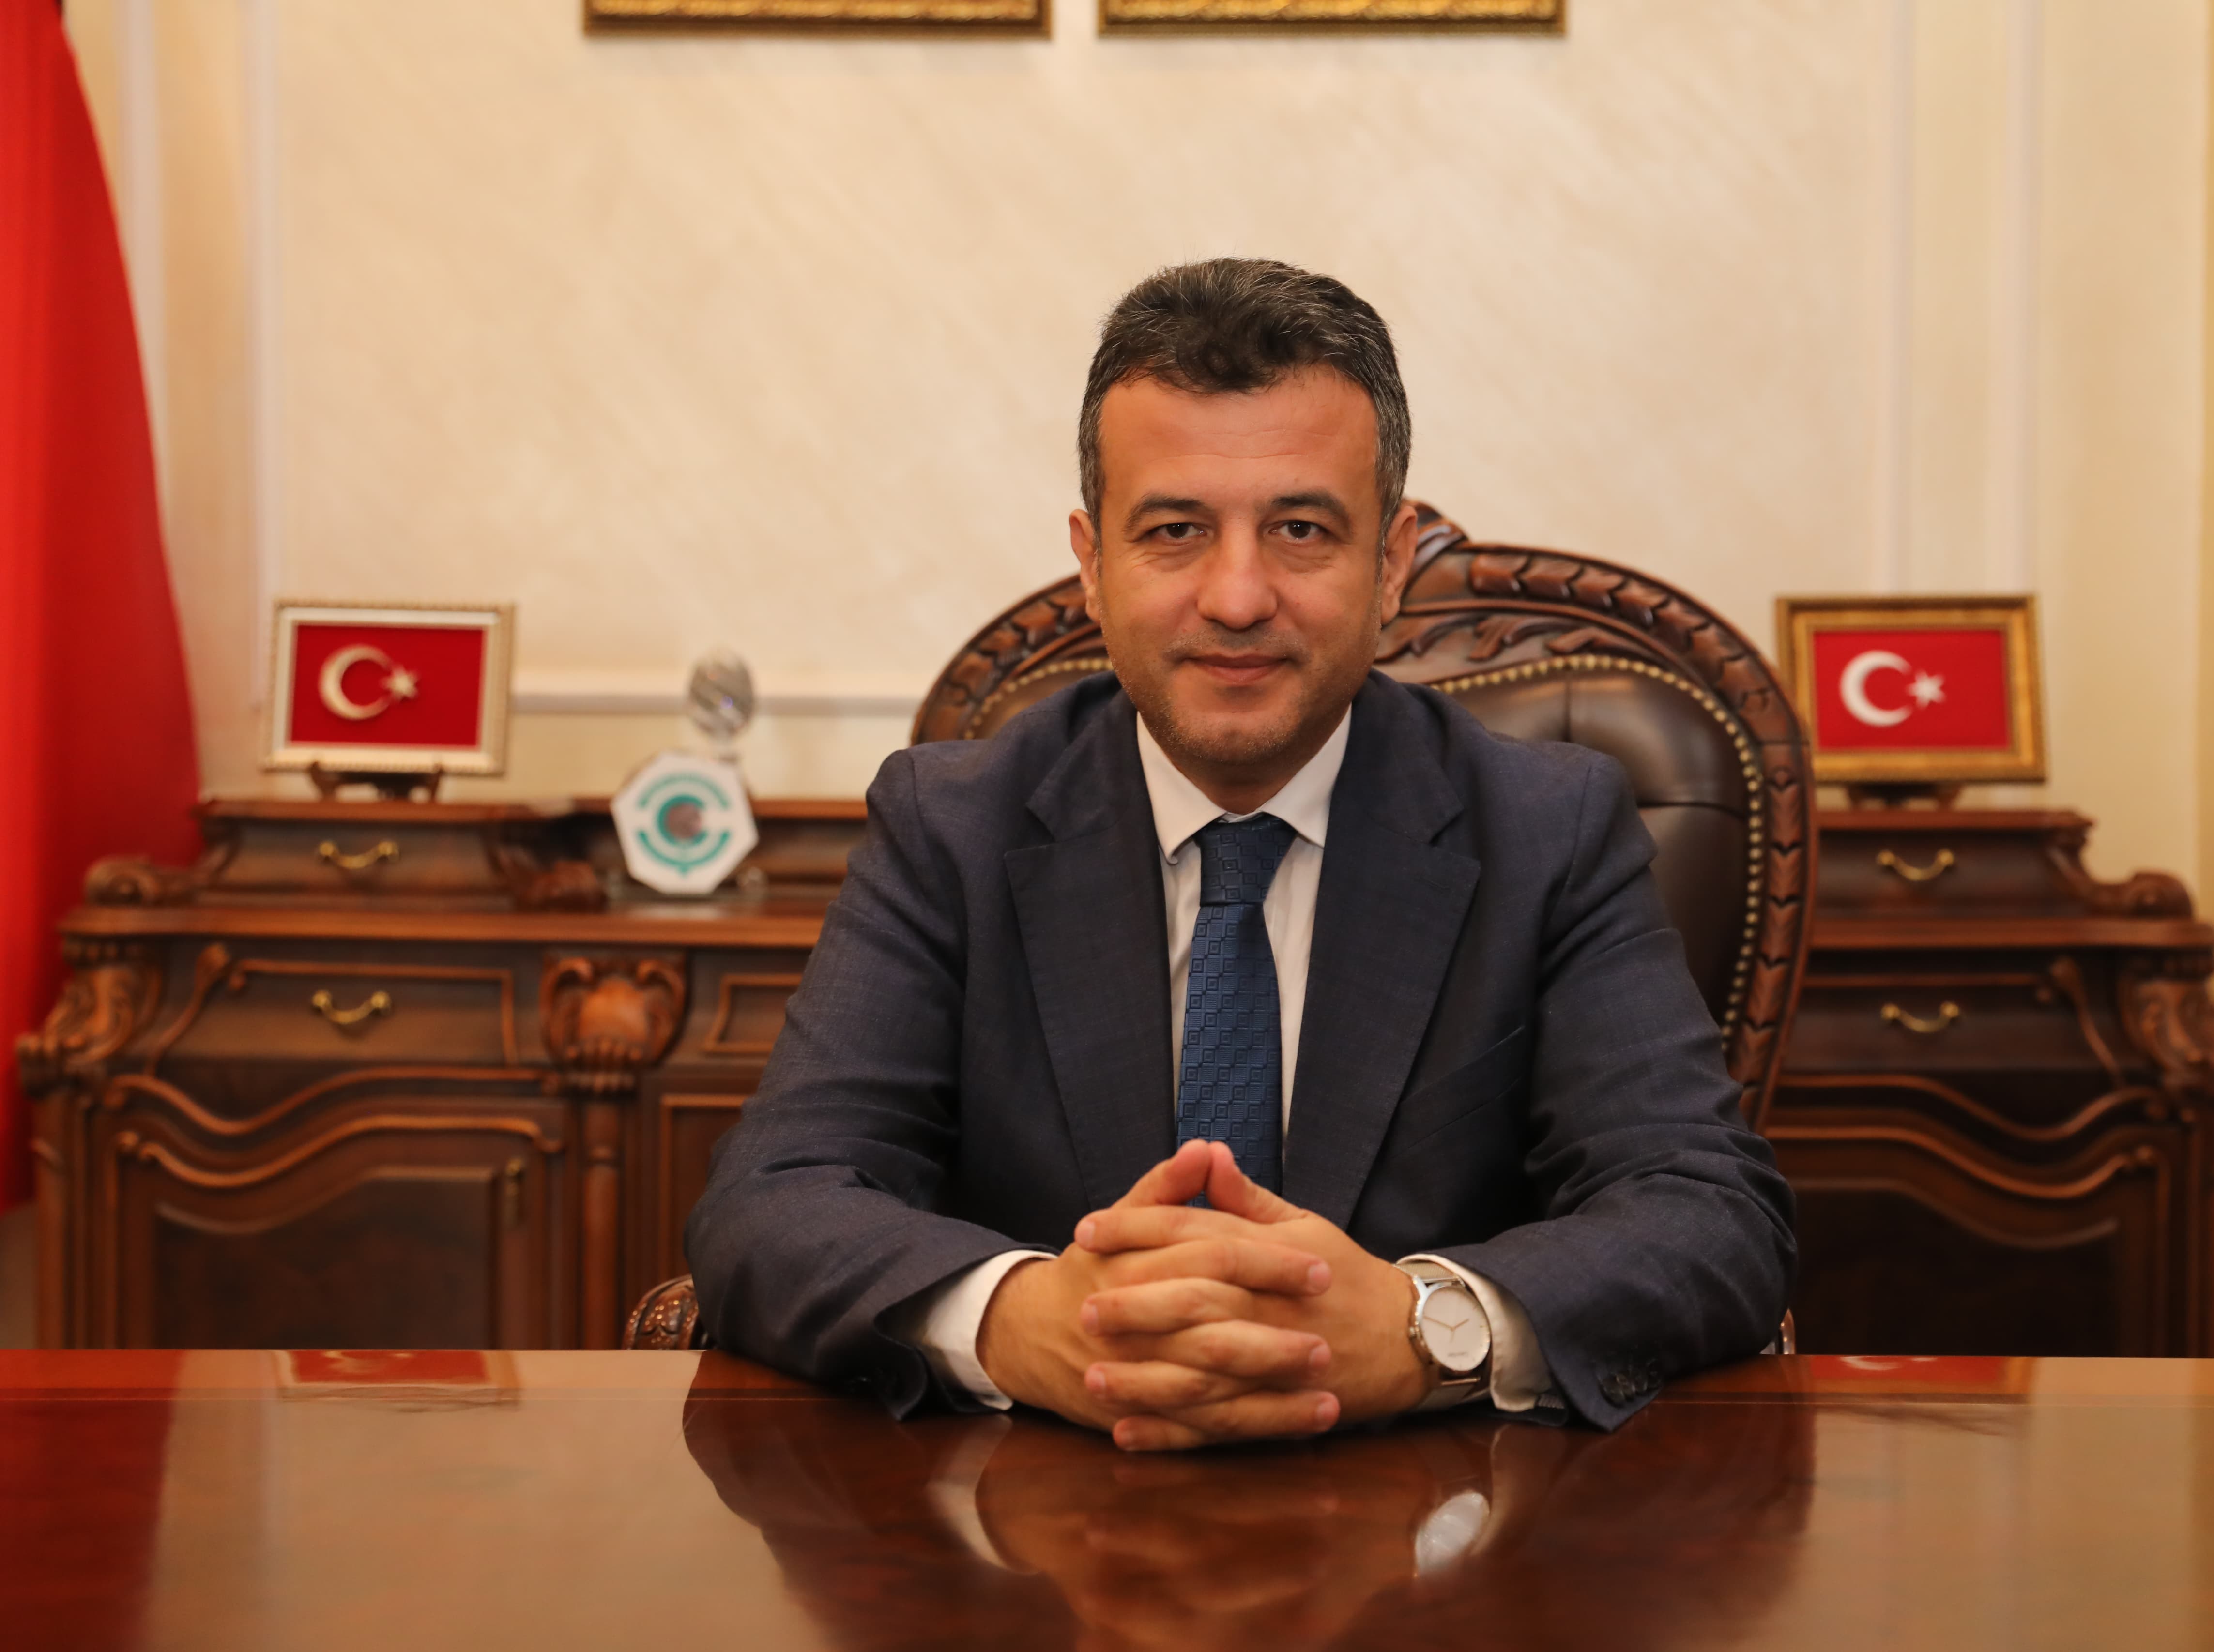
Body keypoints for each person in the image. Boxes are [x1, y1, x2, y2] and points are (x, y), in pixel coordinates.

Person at [687, 258, 1794, 1451]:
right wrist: (1021, 1322)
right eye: (1174, 532)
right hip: (1034, 1516)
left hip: (1440, 1519)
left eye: (1300, 530)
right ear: (1093, 565)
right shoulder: (951, 826)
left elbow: (1708, 1212)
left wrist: (1425, 1330)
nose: (1236, 596)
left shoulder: (1548, 829)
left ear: (1390, 563)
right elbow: (774, 1201)